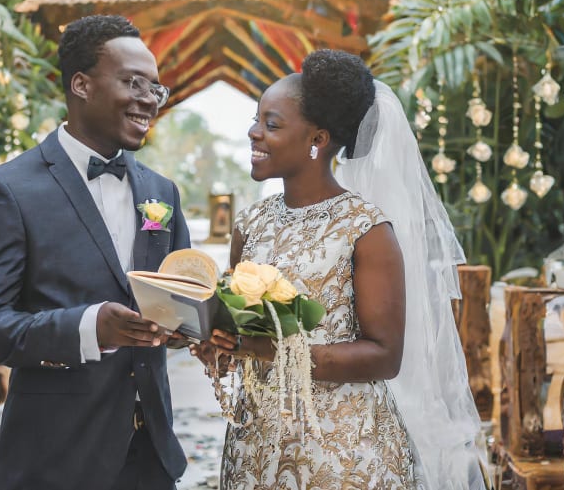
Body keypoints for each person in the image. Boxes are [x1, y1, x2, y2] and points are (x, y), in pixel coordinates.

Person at [198, 50, 486, 489]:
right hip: (256, 445)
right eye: (257, 120)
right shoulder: (250, 223)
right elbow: (237, 331)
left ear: (317, 139)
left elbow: (384, 356)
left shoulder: (365, 229)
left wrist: (264, 349)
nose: (254, 132)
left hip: (344, 451)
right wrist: (217, 348)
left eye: (271, 124)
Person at [0, 15, 189, 490]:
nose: (149, 99)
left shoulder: (161, 192)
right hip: (53, 459)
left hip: (151, 459)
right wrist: (86, 328)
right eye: (133, 83)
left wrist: (190, 326)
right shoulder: (9, 190)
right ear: (82, 84)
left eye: (155, 88)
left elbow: (178, 297)